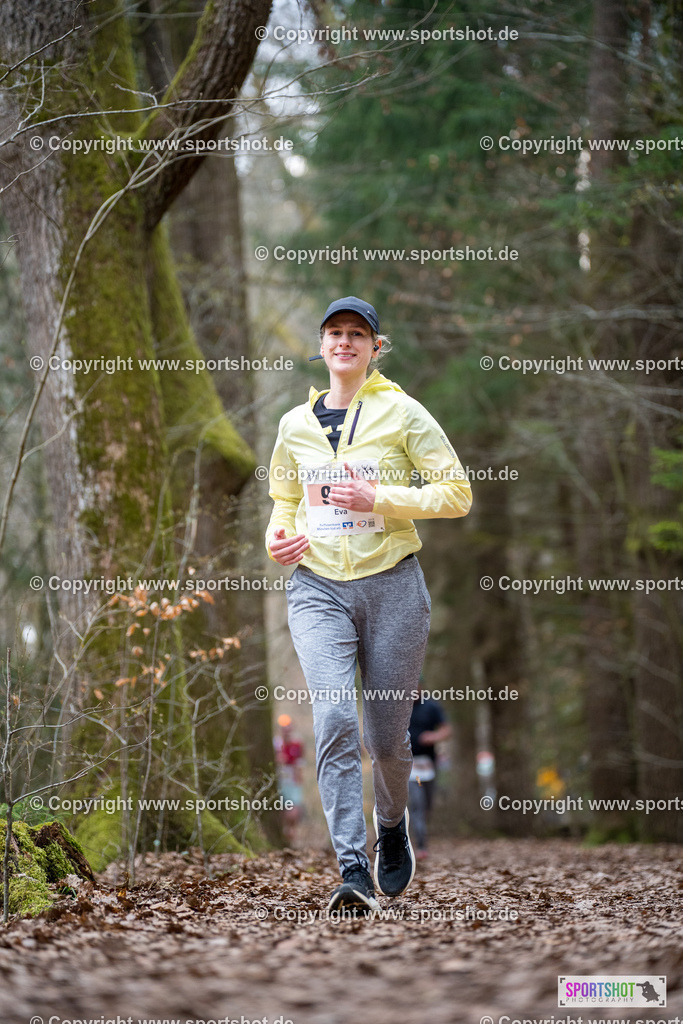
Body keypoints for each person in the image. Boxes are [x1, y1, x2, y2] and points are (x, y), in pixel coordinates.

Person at [265, 296, 472, 914]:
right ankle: (351, 867)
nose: (346, 342)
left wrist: (379, 498)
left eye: (359, 334)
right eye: (335, 332)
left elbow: (456, 493)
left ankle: (390, 826)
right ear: (322, 345)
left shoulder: (404, 413)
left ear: (375, 348)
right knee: (332, 720)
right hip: (317, 587)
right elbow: (282, 495)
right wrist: (277, 538)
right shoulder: (293, 426)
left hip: (393, 585)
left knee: (387, 740)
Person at [408, 683, 452, 859]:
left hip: (428, 765)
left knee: (427, 804)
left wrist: (433, 737)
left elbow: (446, 729)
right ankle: (421, 844)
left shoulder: (431, 706)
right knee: (417, 803)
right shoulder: (399, 706)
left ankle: (421, 833)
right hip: (411, 767)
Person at [273, 714, 305, 843]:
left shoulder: (297, 743)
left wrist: (299, 776)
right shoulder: (276, 743)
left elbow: (300, 762)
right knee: (281, 807)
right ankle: (283, 833)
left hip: (292, 780)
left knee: (294, 810)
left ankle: (292, 832)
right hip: (279, 779)